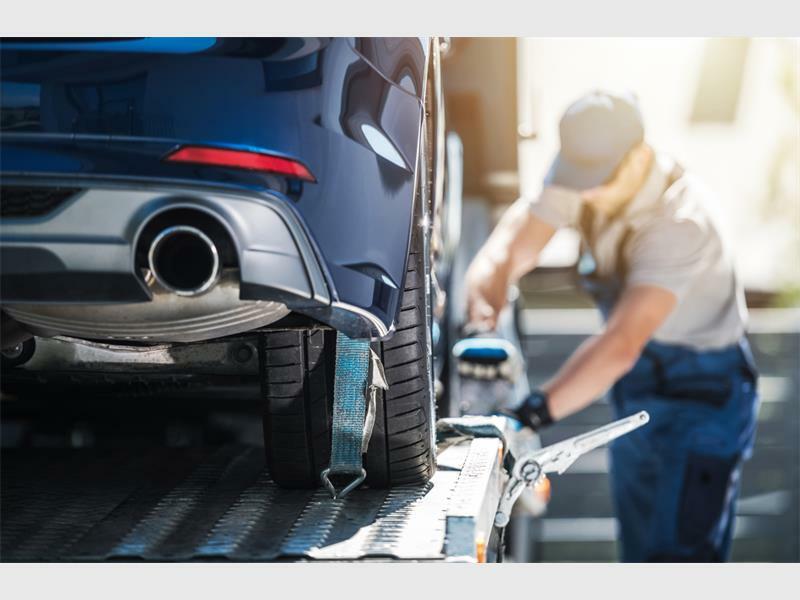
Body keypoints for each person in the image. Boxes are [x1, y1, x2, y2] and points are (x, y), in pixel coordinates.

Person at [465, 90, 760, 562]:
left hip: (701, 397)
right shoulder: (584, 173)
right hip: (640, 385)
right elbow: (515, 242)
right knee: (641, 551)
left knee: (678, 561)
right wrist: (488, 285)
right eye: (577, 179)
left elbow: (621, 343)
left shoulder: (681, 221)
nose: (586, 193)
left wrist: (529, 417)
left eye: (597, 181)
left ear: (639, 156)